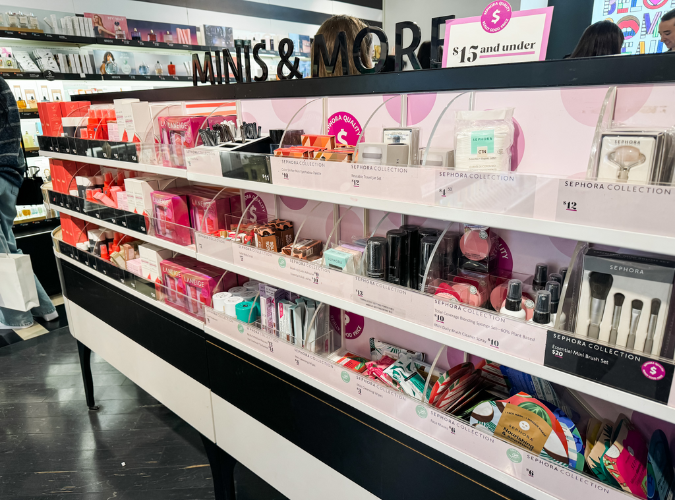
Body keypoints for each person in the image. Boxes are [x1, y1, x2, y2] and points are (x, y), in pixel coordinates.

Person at [0, 76, 57, 329]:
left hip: (2, 173)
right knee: (7, 247)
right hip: (8, 173)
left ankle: (18, 317)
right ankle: (44, 309)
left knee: (3, 250)